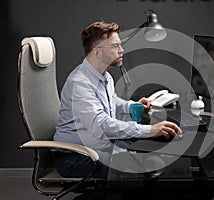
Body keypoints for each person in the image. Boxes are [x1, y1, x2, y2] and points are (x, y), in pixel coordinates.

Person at [53, 20, 182, 178]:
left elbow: (110, 100)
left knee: (148, 153)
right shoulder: (79, 83)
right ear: (97, 53)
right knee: (135, 168)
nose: (121, 50)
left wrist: (130, 106)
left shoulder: (104, 76)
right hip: (74, 157)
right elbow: (102, 124)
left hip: (97, 147)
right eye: (115, 46)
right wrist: (149, 130)